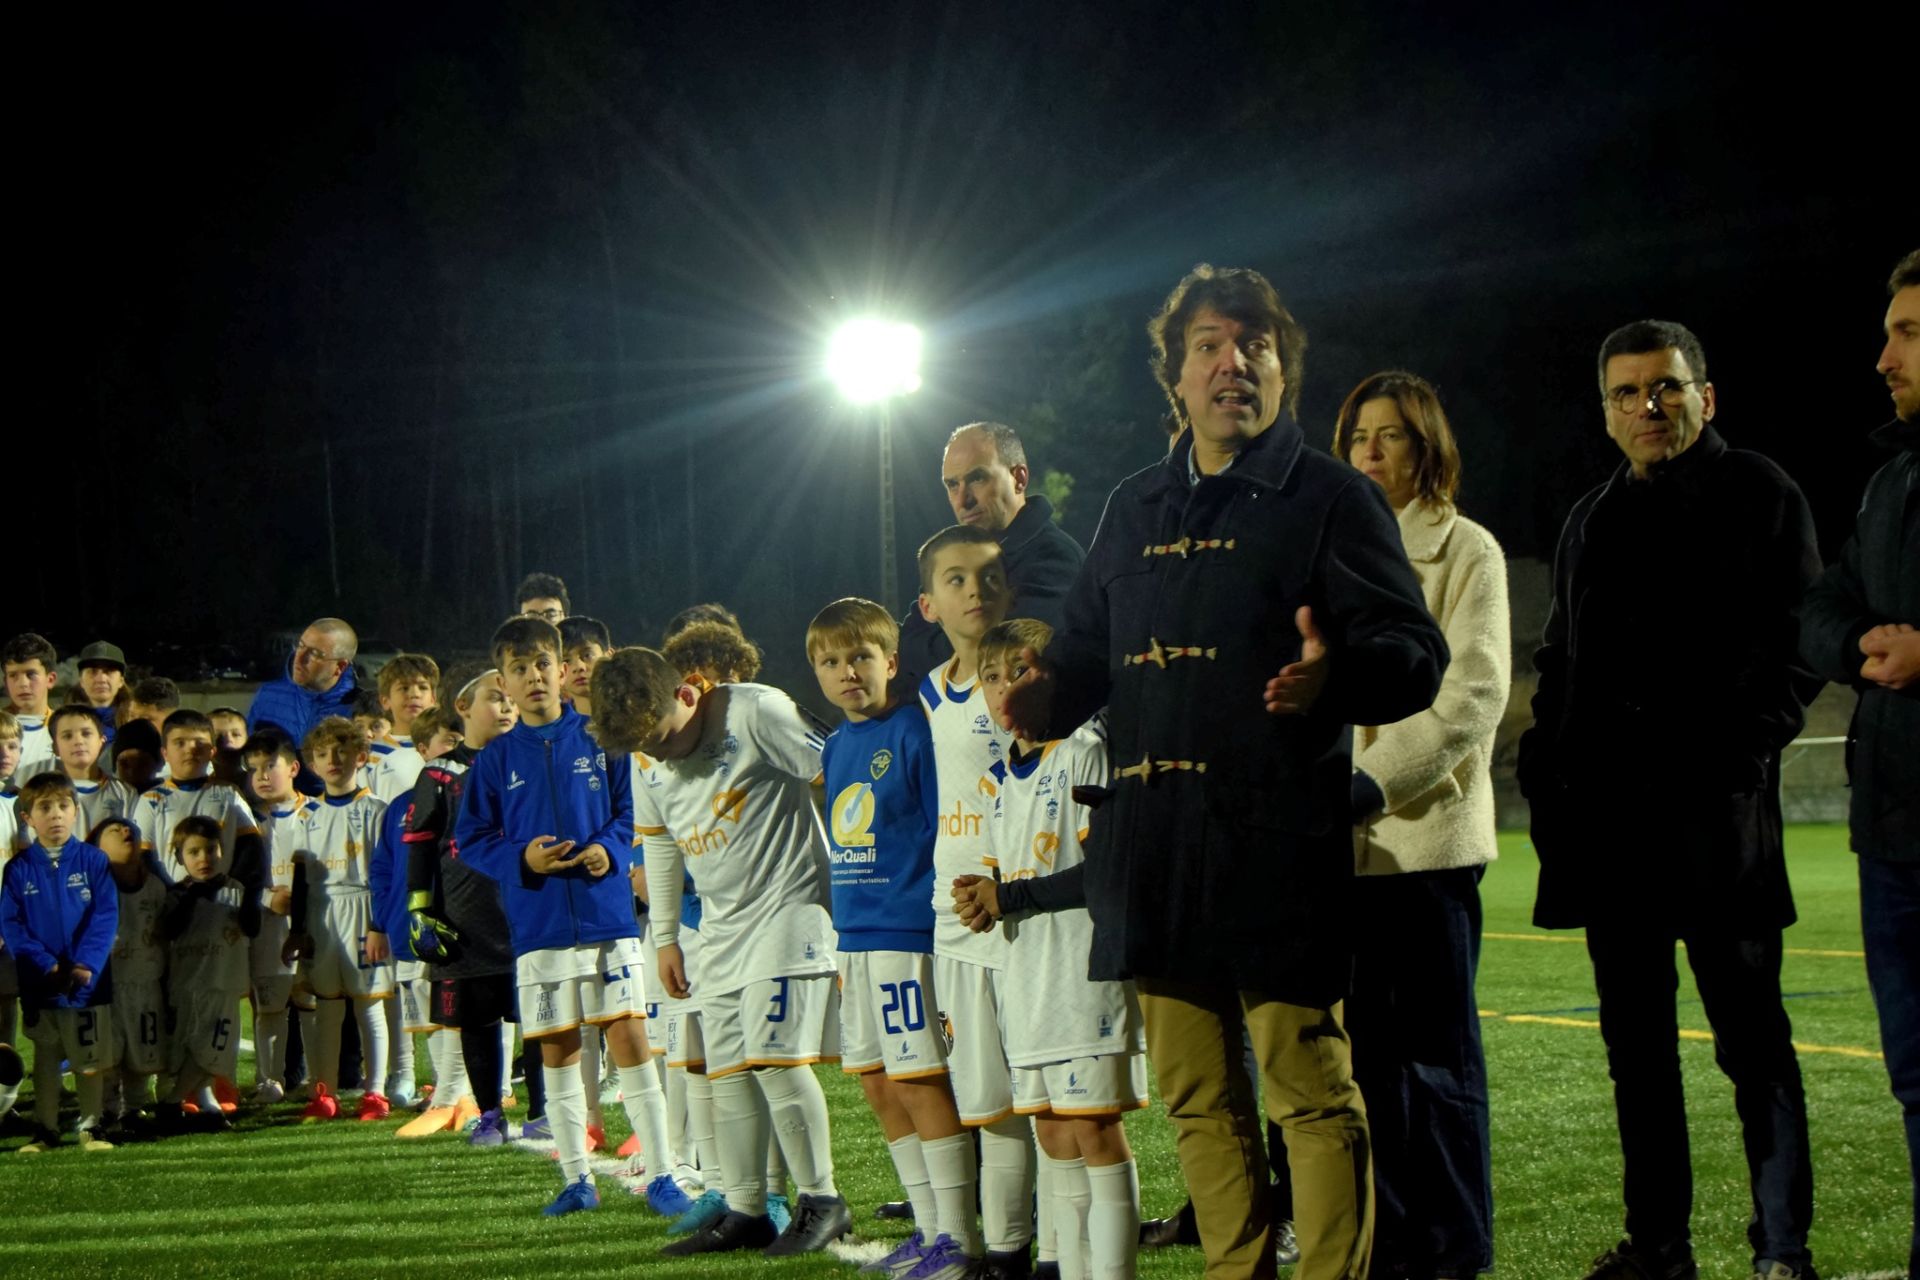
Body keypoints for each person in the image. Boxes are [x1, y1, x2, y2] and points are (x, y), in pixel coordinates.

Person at [1001, 263, 1448, 1280]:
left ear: (1283, 370)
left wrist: (1336, 678)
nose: (1231, 363)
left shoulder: (1332, 497)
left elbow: (1416, 654)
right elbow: (1086, 653)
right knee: (1198, 1098)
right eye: (1207, 345)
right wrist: (1045, 697)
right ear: (1176, 375)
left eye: (1254, 345)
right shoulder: (1133, 504)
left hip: (1275, 845)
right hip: (1154, 849)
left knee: (1310, 1093)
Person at [1518, 319, 1822, 1280]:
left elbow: (1801, 641)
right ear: (1606, 412)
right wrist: (1546, 770)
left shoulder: (1760, 492)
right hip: (1614, 837)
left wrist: (1739, 754)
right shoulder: (1591, 518)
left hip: (1718, 827)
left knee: (1753, 1043)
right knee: (1637, 1055)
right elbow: (1560, 659)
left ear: (1705, 397)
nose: (1648, 406)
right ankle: (1659, 1248)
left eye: (1666, 387)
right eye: (1627, 392)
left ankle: (1782, 1250)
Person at [1333, 371, 1508, 1279]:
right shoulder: (1330, 548)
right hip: (1340, 854)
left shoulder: (1467, 549)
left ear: (1426, 447)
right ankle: (1392, 1244)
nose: (1369, 450)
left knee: (1436, 1065)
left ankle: (1455, 1248)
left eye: (1391, 434)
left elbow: (1473, 695)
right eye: (1358, 435)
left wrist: (1368, 784)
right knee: (1362, 1066)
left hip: (1424, 844)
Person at [590, 645, 848, 1254]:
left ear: (687, 693)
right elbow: (660, 844)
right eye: (643, 748)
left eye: (661, 738)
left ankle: (822, 1200)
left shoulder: (757, 711)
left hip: (791, 911)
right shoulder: (645, 754)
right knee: (728, 1072)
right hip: (720, 930)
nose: (657, 755)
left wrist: (862, 879)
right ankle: (746, 1210)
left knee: (775, 1060)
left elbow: (842, 773)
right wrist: (666, 937)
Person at [452, 617, 671, 1218]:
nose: (534, 677)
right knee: (558, 1051)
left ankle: (663, 1173)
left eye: (543, 664)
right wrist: (520, 859)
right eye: (519, 670)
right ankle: (577, 1179)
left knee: (631, 1041)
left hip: (608, 920)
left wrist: (610, 849)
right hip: (539, 927)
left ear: (562, 668)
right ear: (503, 683)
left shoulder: (603, 739)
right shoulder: (495, 761)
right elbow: (470, 839)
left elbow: (631, 809)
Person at [1798, 248, 1920, 1279]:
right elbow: (1822, 600)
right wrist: (1855, 643)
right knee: (1917, 1074)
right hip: (1892, 833)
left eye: (1910, 333)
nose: (1884, 358)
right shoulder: (1891, 483)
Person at [960, 617, 1148, 1280]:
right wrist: (982, 900)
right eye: (990, 677)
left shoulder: (1085, 749)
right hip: (1028, 980)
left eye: (1019, 671)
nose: (1003, 688)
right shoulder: (995, 782)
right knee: (1052, 1132)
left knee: (1094, 1130)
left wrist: (1008, 896)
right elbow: (1006, 883)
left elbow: (1105, 872)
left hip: (1084, 976)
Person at [808, 596, 983, 1280]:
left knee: (919, 1081)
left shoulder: (913, 731)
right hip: (854, 936)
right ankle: (928, 1227)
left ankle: (958, 1241)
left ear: (891, 660)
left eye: (860, 657)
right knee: (879, 1084)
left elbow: (944, 827)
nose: (847, 672)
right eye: (831, 662)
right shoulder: (835, 745)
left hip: (907, 933)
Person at [400, 667, 523, 1147]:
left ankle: (546, 1112)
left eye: (510, 697)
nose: (508, 706)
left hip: (526, 911)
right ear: (463, 707)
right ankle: (490, 1114)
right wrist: (420, 909)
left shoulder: (530, 761)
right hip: (466, 916)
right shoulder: (439, 772)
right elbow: (420, 846)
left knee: (541, 1019)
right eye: (496, 697)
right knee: (476, 1021)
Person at [898, 424, 1086, 680]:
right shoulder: (954, 555)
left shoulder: (1055, 559)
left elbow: (998, 653)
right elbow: (907, 642)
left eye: (977, 478)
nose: (963, 500)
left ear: (1019, 478)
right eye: (952, 485)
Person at [282, 716, 396, 1123]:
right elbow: (300, 876)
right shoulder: (306, 814)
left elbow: (387, 874)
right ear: (312, 763)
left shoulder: (377, 810)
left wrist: (379, 925)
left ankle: (375, 1092)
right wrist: (298, 930)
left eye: (341, 750)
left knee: (368, 1006)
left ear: (360, 757)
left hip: (364, 909)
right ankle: (324, 1093)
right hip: (322, 913)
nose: (332, 759)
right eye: (322, 753)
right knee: (326, 1006)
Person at [0, 772, 118, 1153]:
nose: (55, 815)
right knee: (46, 1058)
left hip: (86, 983)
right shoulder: (18, 869)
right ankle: (46, 1130)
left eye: (63, 806)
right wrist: (45, 964)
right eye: (45, 808)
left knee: (89, 1059)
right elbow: (12, 925)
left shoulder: (94, 861)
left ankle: (91, 1127)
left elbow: (105, 917)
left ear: (75, 811)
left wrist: (86, 964)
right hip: (42, 984)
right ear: (27, 818)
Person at [158, 814, 260, 1131]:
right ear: (179, 857)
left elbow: (252, 927)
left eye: (211, 849)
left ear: (222, 851)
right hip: (189, 985)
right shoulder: (176, 894)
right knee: (193, 1047)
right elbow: (168, 930)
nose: (204, 858)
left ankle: (186, 1102)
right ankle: (179, 1101)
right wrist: (193, 896)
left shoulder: (235, 890)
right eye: (194, 852)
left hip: (224, 983)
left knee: (216, 1048)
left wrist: (252, 894)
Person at [243, 729, 305, 1104]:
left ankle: (320, 1077)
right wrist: (268, 898)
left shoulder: (316, 813)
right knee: (269, 1008)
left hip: (313, 927)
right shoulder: (247, 822)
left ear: (294, 768)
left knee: (315, 1005)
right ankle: (269, 1080)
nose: (262, 776)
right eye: (253, 769)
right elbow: (236, 877)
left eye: (270, 766)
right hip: (268, 929)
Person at [94, 816, 166, 1132]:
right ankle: (106, 1110)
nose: (126, 831)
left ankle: (134, 1108)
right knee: (108, 1053)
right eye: (115, 830)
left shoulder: (155, 888)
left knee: (143, 1051)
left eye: (130, 829)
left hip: (146, 983)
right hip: (108, 986)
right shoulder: (94, 887)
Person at [136, 709, 264, 886]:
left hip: (222, 898)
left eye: (200, 743)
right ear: (165, 753)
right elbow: (144, 857)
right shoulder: (150, 800)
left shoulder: (229, 793)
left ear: (212, 751)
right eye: (180, 743)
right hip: (171, 898)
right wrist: (171, 892)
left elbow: (250, 848)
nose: (191, 749)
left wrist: (230, 887)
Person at [249, 618, 361, 749]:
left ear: (340, 666)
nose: (299, 657)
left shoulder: (359, 709)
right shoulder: (267, 695)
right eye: (300, 645)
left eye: (315, 653)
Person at [49, 704, 141, 837]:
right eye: (68, 736)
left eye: (86, 734)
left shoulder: (125, 793)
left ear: (102, 741)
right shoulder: (43, 793)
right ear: (55, 747)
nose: (78, 741)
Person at [3, 633, 59, 779]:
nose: (22, 684)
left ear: (50, 679)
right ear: (5, 682)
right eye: (13, 675)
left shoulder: (64, 730)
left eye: (31, 674)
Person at [75, 641, 129, 748]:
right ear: (81, 681)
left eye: (109, 671)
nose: (101, 679)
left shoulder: (136, 722)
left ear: (121, 681)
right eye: (93, 672)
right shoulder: (63, 723)